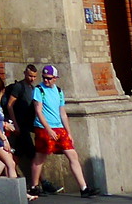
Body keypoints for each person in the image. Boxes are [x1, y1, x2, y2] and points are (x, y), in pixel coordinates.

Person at [28, 65, 94, 198]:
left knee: (72, 155)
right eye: (44, 78)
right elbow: (38, 111)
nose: (46, 81)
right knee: (40, 156)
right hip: (43, 127)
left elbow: (62, 112)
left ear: (56, 78)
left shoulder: (58, 91)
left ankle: (84, 188)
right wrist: (48, 129)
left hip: (59, 128)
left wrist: (68, 131)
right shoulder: (39, 90)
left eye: (49, 78)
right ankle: (34, 186)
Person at [4, 65, 38, 193]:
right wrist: (16, 125)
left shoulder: (33, 88)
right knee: (32, 154)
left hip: (28, 126)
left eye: (34, 76)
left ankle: (12, 177)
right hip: (21, 126)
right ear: (24, 73)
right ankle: (41, 182)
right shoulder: (19, 87)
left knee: (18, 153)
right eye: (30, 76)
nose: (32, 79)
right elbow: (10, 105)